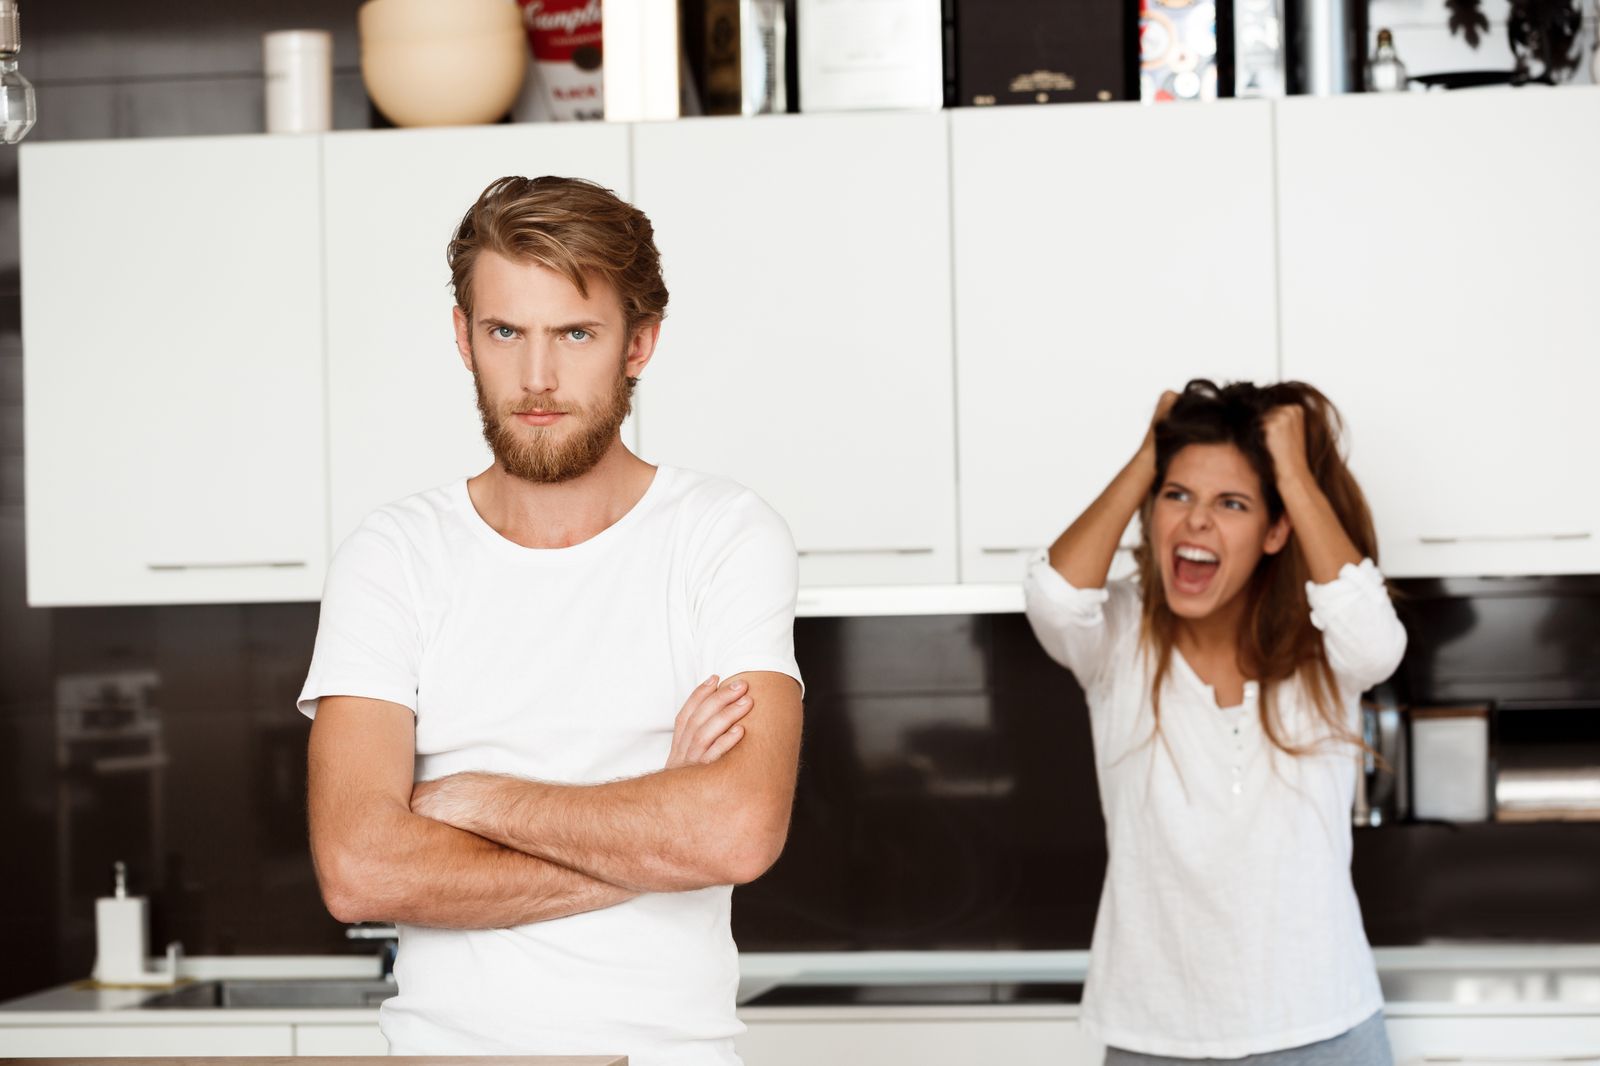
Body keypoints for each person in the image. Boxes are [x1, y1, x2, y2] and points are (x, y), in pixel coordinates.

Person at [298, 175, 803, 1066]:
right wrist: (652, 833)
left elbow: (737, 831)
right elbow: (359, 869)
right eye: (505, 332)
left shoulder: (723, 535)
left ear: (639, 342)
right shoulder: (392, 556)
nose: (537, 379)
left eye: (576, 333)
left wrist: (478, 802)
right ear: (464, 337)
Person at [1024, 380, 1406, 1064]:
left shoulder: (1324, 653)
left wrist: (1290, 469)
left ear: (1275, 529)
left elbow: (1379, 642)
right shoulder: (1120, 641)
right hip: (1153, 1038)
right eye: (1178, 495)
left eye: (1232, 503)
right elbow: (1054, 597)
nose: (1196, 521)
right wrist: (1150, 454)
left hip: (1322, 1027)